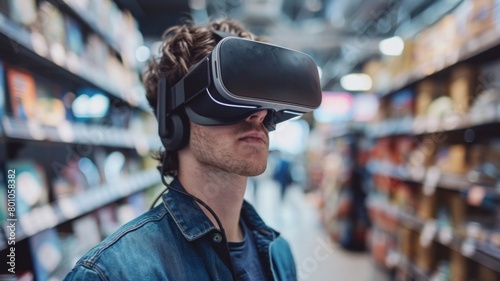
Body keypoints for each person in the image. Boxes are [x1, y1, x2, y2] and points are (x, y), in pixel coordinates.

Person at [64, 18, 298, 280]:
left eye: (263, 99)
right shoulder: (113, 274)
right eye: (229, 96)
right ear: (172, 122)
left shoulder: (280, 254)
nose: (260, 114)